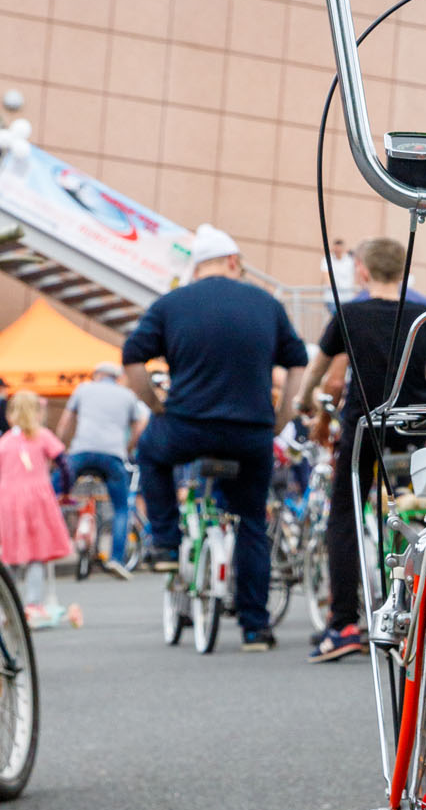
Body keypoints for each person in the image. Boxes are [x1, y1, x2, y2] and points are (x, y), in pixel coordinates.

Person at [123, 223, 308, 651]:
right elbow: (296, 362)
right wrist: (280, 416)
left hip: (187, 426)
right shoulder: (267, 303)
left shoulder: (171, 304)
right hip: (251, 433)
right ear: (234, 262)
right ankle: (255, 628)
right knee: (250, 523)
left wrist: (155, 405)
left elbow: (132, 358)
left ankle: (166, 542)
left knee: (151, 454)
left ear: (197, 267)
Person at [296, 235, 426, 663]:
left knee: (344, 515)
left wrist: (303, 403)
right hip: (414, 428)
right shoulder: (425, 316)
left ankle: (343, 622)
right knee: (421, 511)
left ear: (362, 270)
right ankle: (425, 607)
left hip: (365, 429)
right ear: (403, 270)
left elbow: (318, 370)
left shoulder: (349, 314)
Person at [56, 361, 148, 570]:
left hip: (81, 452)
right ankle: (116, 559)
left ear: (97, 375)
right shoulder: (127, 395)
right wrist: (128, 447)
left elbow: (64, 422)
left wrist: (60, 451)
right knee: (122, 508)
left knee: (50, 493)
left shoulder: (83, 389)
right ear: (116, 377)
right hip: (113, 455)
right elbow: (141, 423)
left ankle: (41, 545)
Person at [0, 391, 77, 628]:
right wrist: (65, 492)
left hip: (8, 500)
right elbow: (65, 465)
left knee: (10, 553)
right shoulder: (43, 436)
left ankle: (9, 606)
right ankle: (33, 605)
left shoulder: (4, 442)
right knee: (36, 553)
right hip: (38, 500)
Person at [319, 237, 357, 310]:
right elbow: (326, 275)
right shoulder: (327, 259)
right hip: (332, 298)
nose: (338, 250)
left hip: (347, 297)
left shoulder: (350, 260)